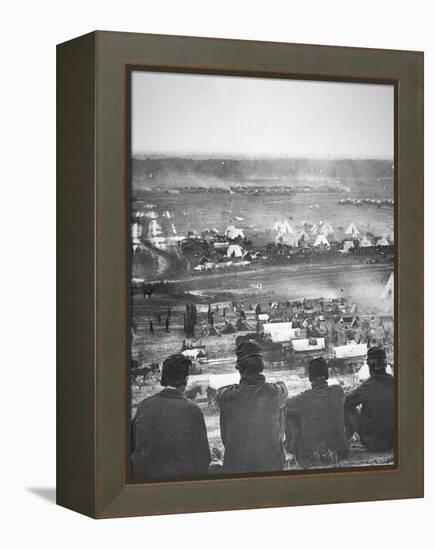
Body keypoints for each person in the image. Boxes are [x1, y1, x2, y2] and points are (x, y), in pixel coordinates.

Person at [131, 354, 210, 480]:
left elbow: (131, 447)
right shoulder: (193, 410)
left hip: (143, 484)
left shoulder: (144, 405)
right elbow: (203, 459)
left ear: (164, 377)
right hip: (178, 486)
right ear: (186, 379)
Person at [216, 340, 288, 474]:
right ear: (262, 366)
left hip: (237, 466)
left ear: (239, 368)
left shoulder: (227, 396)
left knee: (228, 410)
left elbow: (219, 393)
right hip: (272, 465)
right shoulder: (275, 392)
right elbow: (283, 386)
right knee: (281, 406)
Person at [285, 357, 349, 468]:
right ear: (327, 375)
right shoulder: (338, 391)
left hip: (313, 455)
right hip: (341, 451)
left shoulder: (302, 398)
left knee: (290, 416)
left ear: (310, 378)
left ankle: (290, 447)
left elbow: (283, 406)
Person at [344, 346, 394, 452]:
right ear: (385, 364)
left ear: (369, 366)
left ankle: (344, 440)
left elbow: (345, 403)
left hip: (373, 442)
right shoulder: (395, 382)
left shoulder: (367, 386)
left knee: (351, 409)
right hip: (394, 441)